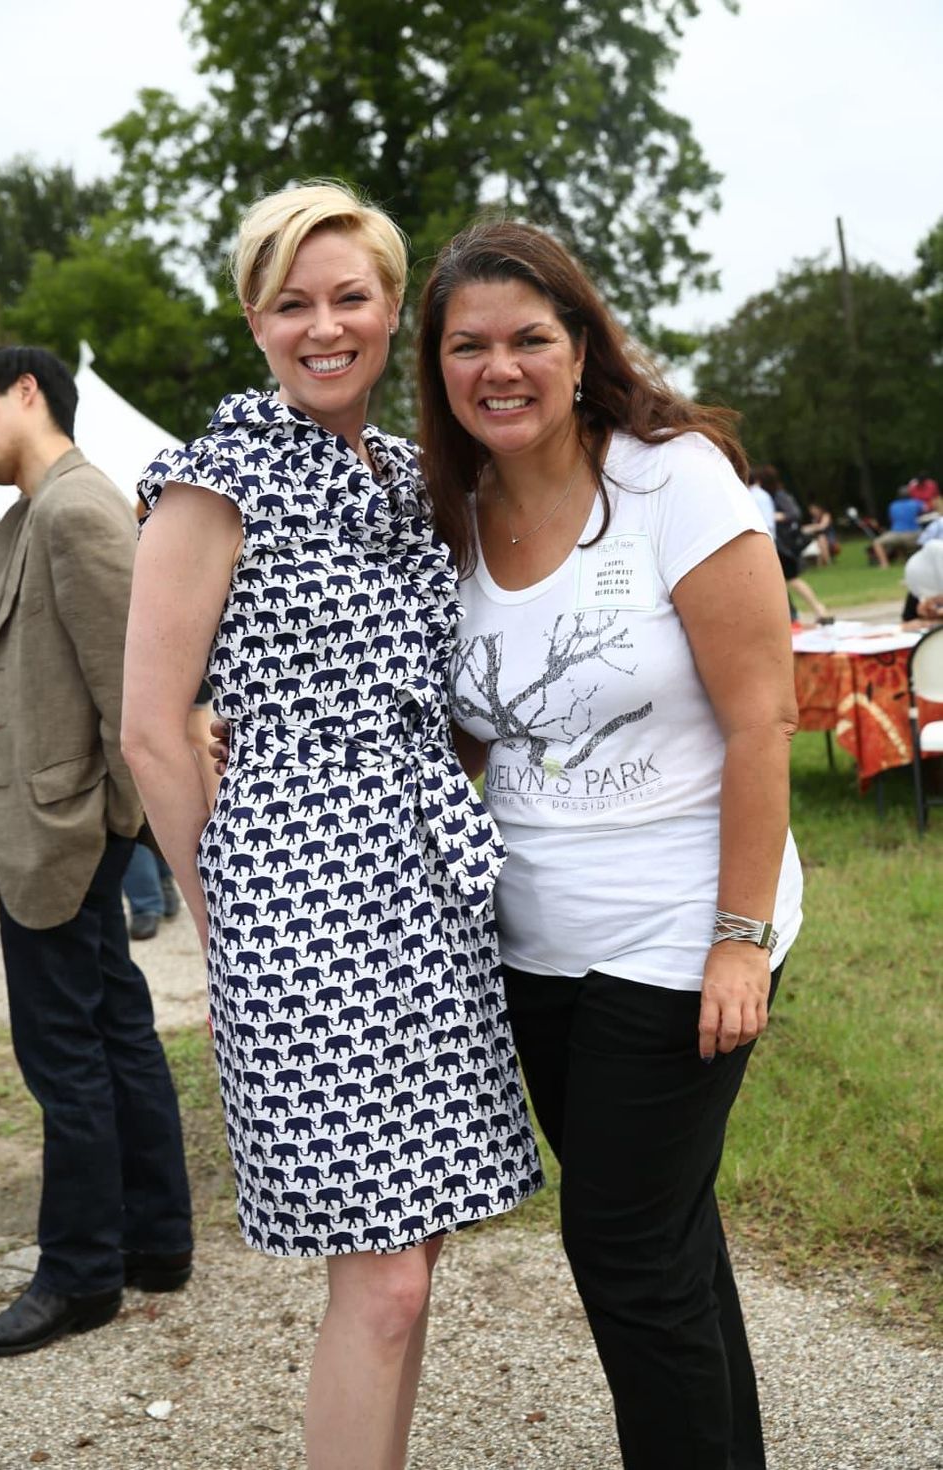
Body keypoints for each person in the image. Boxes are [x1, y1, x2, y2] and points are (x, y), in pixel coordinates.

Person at [120, 183, 541, 1470]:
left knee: (411, 1257)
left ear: (389, 308)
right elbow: (150, 724)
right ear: (253, 319)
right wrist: (225, 904)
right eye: (291, 303)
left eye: (348, 297)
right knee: (384, 1278)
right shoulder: (220, 472)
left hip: (420, 885)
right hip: (296, 896)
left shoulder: (417, 470)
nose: (323, 325)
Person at [416, 221, 804, 1470]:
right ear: (437, 366)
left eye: (529, 337)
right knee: (664, 1241)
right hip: (534, 944)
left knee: (623, 1249)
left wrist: (737, 941)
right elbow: (479, 734)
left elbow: (762, 717)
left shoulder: (670, 477)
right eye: (467, 345)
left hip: (678, 930)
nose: (500, 367)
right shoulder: (451, 513)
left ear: (580, 347)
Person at [0, 347, 192, 1358]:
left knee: (67, 1056)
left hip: (68, 835)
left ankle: (80, 1273)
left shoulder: (77, 508)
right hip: (57, 829)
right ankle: (156, 1241)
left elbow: (132, 696)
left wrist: (117, 829)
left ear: (25, 392)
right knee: (115, 1031)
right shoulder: (25, 514)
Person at [757, 465, 829, 620]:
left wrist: (774, 516)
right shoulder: (770, 496)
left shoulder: (778, 496)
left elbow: (794, 514)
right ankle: (794, 614)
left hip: (782, 545)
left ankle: (818, 609)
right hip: (778, 543)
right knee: (781, 581)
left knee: (791, 579)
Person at [871, 487, 922, 568]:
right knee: (928, 540)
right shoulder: (916, 503)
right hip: (914, 535)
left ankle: (884, 565)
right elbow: (924, 511)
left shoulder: (893, 505)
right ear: (909, 495)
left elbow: (892, 519)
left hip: (897, 534)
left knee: (877, 543)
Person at [801, 501, 837, 565]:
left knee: (821, 539)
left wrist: (810, 527)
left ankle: (827, 562)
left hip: (829, 537)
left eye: (813, 509)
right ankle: (822, 563)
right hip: (817, 538)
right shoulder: (813, 518)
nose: (812, 511)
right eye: (811, 510)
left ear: (818, 508)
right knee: (819, 540)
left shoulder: (826, 515)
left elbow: (822, 526)